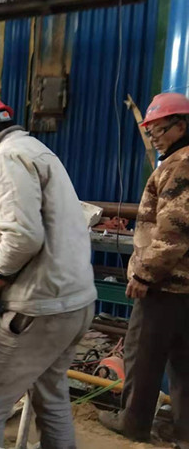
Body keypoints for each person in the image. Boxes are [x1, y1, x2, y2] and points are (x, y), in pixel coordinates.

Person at [0, 95, 96, 447]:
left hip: (38, 308)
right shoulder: (37, 150)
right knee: (51, 397)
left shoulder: (4, 159)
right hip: (73, 303)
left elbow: (23, 238)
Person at [98, 93, 189, 447]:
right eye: (151, 132)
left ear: (182, 126)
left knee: (142, 356)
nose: (155, 138)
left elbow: (174, 230)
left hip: (164, 285)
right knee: (183, 363)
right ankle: (184, 431)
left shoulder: (181, 164)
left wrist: (143, 274)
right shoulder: (176, 161)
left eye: (160, 130)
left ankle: (133, 422)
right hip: (182, 287)